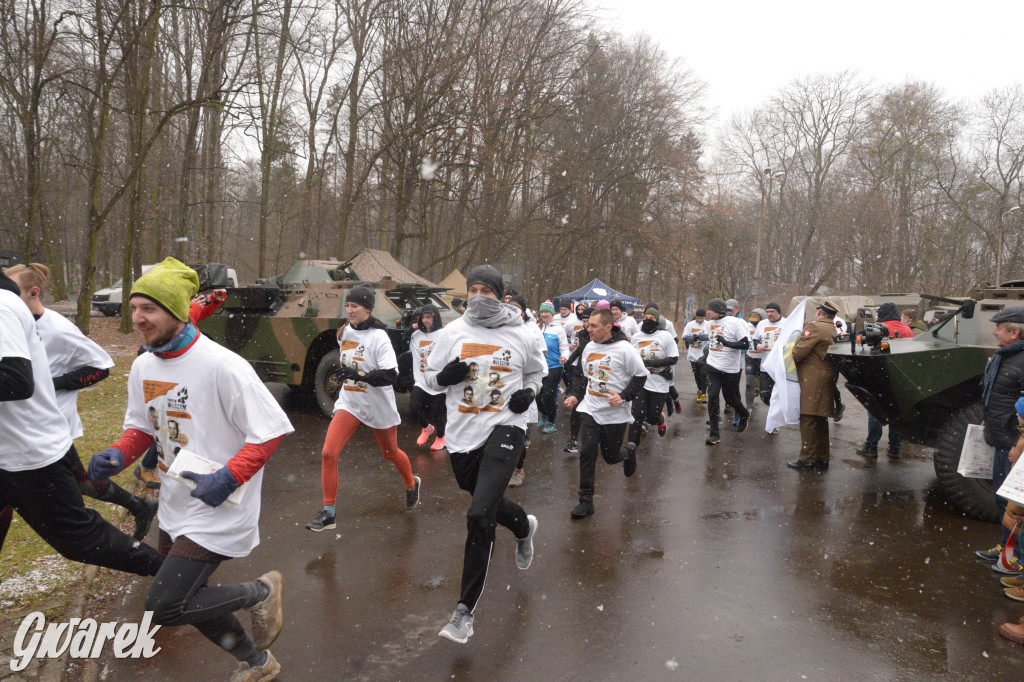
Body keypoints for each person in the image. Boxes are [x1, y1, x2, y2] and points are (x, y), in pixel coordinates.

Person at [85, 258, 292, 680]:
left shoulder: (223, 366)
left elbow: (270, 430)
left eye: (149, 309)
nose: (138, 318)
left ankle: (261, 591)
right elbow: (142, 427)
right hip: (176, 500)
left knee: (163, 605)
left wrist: (229, 476)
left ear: (177, 312)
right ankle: (257, 663)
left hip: (220, 505)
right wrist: (118, 455)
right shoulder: (144, 365)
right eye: (135, 307)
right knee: (188, 597)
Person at [0, 268, 162, 585]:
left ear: (33, 292)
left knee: (81, 509)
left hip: (40, 437)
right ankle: (141, 507)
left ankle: (169, 565)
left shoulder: (49, 324)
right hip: (20, 440)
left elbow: (101, 366)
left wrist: (55, 383)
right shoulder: (15, 311)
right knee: (80, 487)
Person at [425, 265, 542, 644]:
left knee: (479, 514)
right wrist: (443, 379)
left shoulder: (523, 332)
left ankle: (464, 613)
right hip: (463, 434)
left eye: (486, 290)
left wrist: (531, 393)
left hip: (507, 425)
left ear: (500, 294)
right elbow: (427, 376)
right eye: (472, 289)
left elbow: (536, 373)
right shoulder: (452, 332)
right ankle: (524, 527)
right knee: (480, 497)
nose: (477, 296)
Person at [307, 283, 421, 531]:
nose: (349, 310)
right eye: (347, 305)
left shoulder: (379, 337)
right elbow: (349, 360)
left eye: (355, 306)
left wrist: (359, 375)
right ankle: (328, 513)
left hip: (378, 404)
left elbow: (391, 376)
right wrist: (346, 375)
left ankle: (412, 483)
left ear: (368, 309)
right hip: (351, 402)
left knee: (390, 452)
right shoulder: (345, 331)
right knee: (328, 453)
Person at [135, 287, 228, 489]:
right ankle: (146, 466)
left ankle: (153, 465)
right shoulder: (172, 311)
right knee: (166, 425)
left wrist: (213, 301)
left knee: (171, 424)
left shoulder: (183, 306)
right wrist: (194, 306)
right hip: (164, 365)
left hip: (179, 366)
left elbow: (195, 315)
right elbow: (185, 319)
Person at [564, 307, 647, 517]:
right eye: (588, 325)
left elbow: (640, 377)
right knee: (587, 453)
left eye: (594, 326)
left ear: (608, 327)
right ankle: (586, 500)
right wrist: (575, 394)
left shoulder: (625, 349)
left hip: (615, 413)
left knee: (610, 457)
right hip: (590, 409)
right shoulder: (589, 347)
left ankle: (628, 452)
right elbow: (583, 377)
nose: (588, 329)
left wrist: (624, 396)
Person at [973, 306, 1024, 575]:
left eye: (1000, 328)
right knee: (1003, 500)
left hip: (1016, 445)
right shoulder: (1004, 356)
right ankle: (1007, 548)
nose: (994, 331)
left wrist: (1019, 446)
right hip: (1002, 439)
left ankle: (1016, 558)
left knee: (1015, 505)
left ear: (1015, 333)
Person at [787, 299, 840, 471]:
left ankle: (807, 458)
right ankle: (822, 457)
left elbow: (798, 353)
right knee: (820, 419)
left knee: (808, 417)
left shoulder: (815, 326)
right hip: (826, 376)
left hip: (813, 378)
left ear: (819, 312)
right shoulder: (833, 327)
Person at [856, 303, 913, 460]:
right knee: (895, 414)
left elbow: (859, 344)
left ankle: (871, 446)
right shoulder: (907, 330)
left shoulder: (877, 327)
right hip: (901, 379)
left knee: (875, 412)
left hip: (878, 377)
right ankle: (895, 448)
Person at [505, 294, 544, 487]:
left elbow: (539, 360)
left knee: (518, 435)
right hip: (500, 392)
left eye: (517, 311)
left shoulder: (531, 331)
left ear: (524, 313)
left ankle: (518, 469)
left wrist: (530, 388)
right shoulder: (498, 330)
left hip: (522, 391)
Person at [627, 307, 679, 446]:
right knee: (636, 415)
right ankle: (632, 446)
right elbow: (630, 357)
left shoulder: (665, 336)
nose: (648, 320)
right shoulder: (637, 337)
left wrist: (651, 363)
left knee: (652, 417)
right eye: (646, 318)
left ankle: (660, 420)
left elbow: (673, 359)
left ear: (657, 321)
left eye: (652, 318)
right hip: (641, 382)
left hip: (659, 381)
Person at [703, 298, 751, 445]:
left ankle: (743, 414)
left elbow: (745, 344)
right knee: (712, 397)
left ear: (719, 310)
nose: (708, 312)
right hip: (712, 366)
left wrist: (726, 343)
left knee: (731, 399)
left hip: (731, 369)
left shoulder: (735, 323)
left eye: (711, 309)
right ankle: (714, 433)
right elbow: (710, 342)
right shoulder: (710, 324)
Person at [408, 305, 447, 451]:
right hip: (422, 379)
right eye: (424, 317)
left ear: (435, 318)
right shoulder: (416, 335)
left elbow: (448, 354)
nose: (426, 320)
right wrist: (410, 329)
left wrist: (432, 360)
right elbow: (403, 342)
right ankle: (426, 428)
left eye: (429, 317)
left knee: (437, 412)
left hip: (438, 380)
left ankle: (441, 438)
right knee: (414, 407)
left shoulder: (443, 334)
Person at [561, 307, 592, 455]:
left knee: (592, 406)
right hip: (580, 373)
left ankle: (595, 437)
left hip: (594, 375)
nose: (586, 324)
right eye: (584, 321)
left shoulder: (600, 334)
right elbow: (580, 350)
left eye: (589, 321)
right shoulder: (581, 333)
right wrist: (569, 362)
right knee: (576, 405)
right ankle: (573, 440)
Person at [536, 301, 569, 434]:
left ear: (552, 313)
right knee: (537, 396)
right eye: (542, 312)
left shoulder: (559, 329)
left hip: (554, 367)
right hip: (538, 367)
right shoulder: (536, 328)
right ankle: (544, 414)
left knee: (548, 396)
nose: (544, 314)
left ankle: (551, 421)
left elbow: (565, 348)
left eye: (546, 312)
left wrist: (564, 357)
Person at [754, 302, 786, 407]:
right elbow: (755, 339)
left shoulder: (787, 323)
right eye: (767, 311)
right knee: (764, 395)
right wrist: (758, 345)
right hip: (766, 366)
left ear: (778, 312)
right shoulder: (762, 324)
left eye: (772, 311)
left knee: (782, 393)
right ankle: (775, 408)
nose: (769, 314)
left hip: (781, 366)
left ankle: (778, 414)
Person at [682, 309, 709, 403]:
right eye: (698, 318)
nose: (700, 320)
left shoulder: (708, 324)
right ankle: (700, 391)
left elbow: (710, 336)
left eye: (702, 318)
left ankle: (704, 394)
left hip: (704, 354)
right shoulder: (690, 325)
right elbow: (684, 336)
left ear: (705, 317)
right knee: (697, 374)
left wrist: (701, 337)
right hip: (693, 353)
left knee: (703, 374)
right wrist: (691, 338)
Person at [744, 308, 766, 414]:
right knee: (749, 383)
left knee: (764, 386)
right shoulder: (746, 326)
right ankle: (749, 407)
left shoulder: (765, 326)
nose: (754, 322)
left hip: (763, 359)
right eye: (752, 320)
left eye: (756, 320)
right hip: (751, 358)